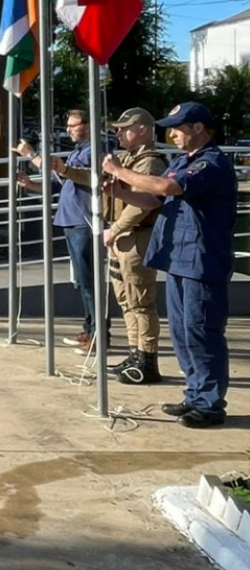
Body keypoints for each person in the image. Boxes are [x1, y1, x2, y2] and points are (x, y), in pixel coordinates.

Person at [104, 102, 238, 429]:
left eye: (179, 127)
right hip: (179, 258)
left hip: (202, 261)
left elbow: (168, 187)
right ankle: (194, 395)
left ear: (198, 128)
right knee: (181, 331)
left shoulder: (212, 163)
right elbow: (155, 200)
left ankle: (209, 404)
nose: (172, 133)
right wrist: (123, 191)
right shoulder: (182, 161)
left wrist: (120, 171)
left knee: (201, 331)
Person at [15, 109, 104, 355]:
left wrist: (31, 154)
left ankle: (98, 333)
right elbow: (57, 183)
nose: (68, 130)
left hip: (83, 222)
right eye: (68, 126)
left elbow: (87, 177)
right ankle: (90, 328)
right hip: (71, 220)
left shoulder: (94, 151)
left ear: (87, 125)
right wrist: (30, 185)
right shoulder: (78, 152)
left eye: (73, 125)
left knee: (89, 281)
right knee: (83, 282)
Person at [95, 109, 168, 385]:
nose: (118, 133)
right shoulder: (126, 160)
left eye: (125, 128)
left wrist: (114, 229)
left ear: (143, 130)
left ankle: (147, 360)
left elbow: (146, 201)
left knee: (141, 301)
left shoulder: (150, 163)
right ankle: (135, 352)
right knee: (126, 299)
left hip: (136, 237)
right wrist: (63, 170)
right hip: (121, 239)